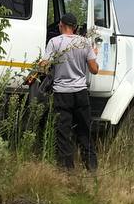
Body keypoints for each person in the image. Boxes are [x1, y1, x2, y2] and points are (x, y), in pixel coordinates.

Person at [38, 13, 100, 172]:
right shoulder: (84, 43)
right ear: (75, 28)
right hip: (80, 93)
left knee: (63, 134)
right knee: (84, 131)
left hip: (61, 93)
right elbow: (94, 70)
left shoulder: (54, 42)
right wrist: (94, 55)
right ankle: (91, 168)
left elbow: (44, 67)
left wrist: (42, 63)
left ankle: (67, 170)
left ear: (61, 25)